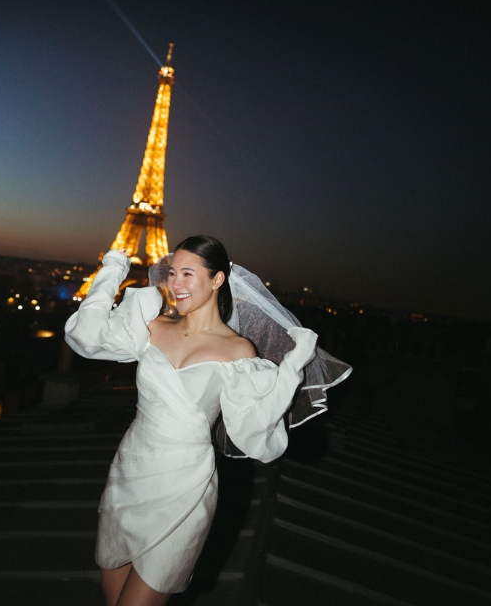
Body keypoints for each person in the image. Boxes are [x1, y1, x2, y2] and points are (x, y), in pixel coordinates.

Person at [64, 235, 351, 606]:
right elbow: (86, 335)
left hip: (186, 485)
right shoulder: (150, 326)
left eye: (187, 273)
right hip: (129, 476)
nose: (175, 284)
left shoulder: (238, 351)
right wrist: (112, 270)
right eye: (171, 273)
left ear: (218, 280)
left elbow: (252, 429)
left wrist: (290, 373)